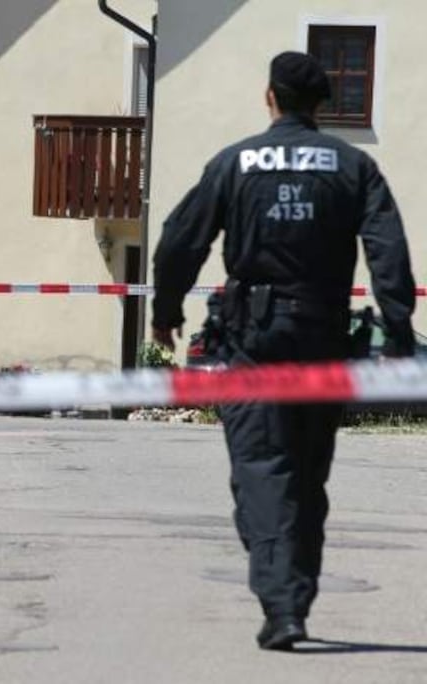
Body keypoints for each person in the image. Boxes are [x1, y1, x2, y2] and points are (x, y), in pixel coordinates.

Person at [151, 52, 416, 651]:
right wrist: (398, 332)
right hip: (323, 338)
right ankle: (292, 595)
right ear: (319, 103)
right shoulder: (354, 167)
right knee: (306, 473)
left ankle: (283, 604)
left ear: (269, 96)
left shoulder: (235, 162)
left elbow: (179, 240)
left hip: (253, 341)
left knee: (263, 471)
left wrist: (165, 313)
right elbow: (388, 250)